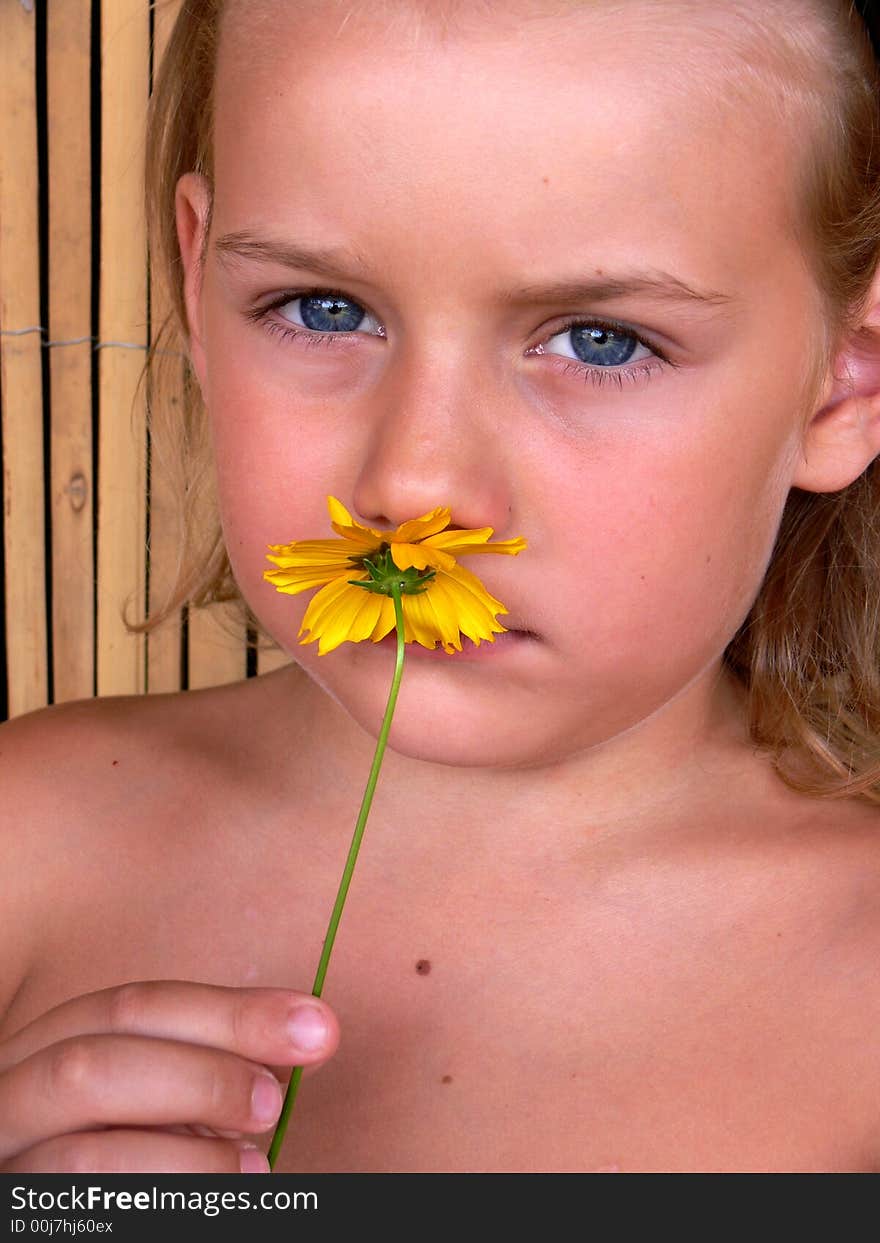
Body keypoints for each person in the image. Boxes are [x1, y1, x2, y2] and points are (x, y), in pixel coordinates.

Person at [1, 0, 880, 1174]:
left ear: (844, 380)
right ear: (198, 277)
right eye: (323, 309)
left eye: (599, 339)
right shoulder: (28, 843)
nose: (415, 484)